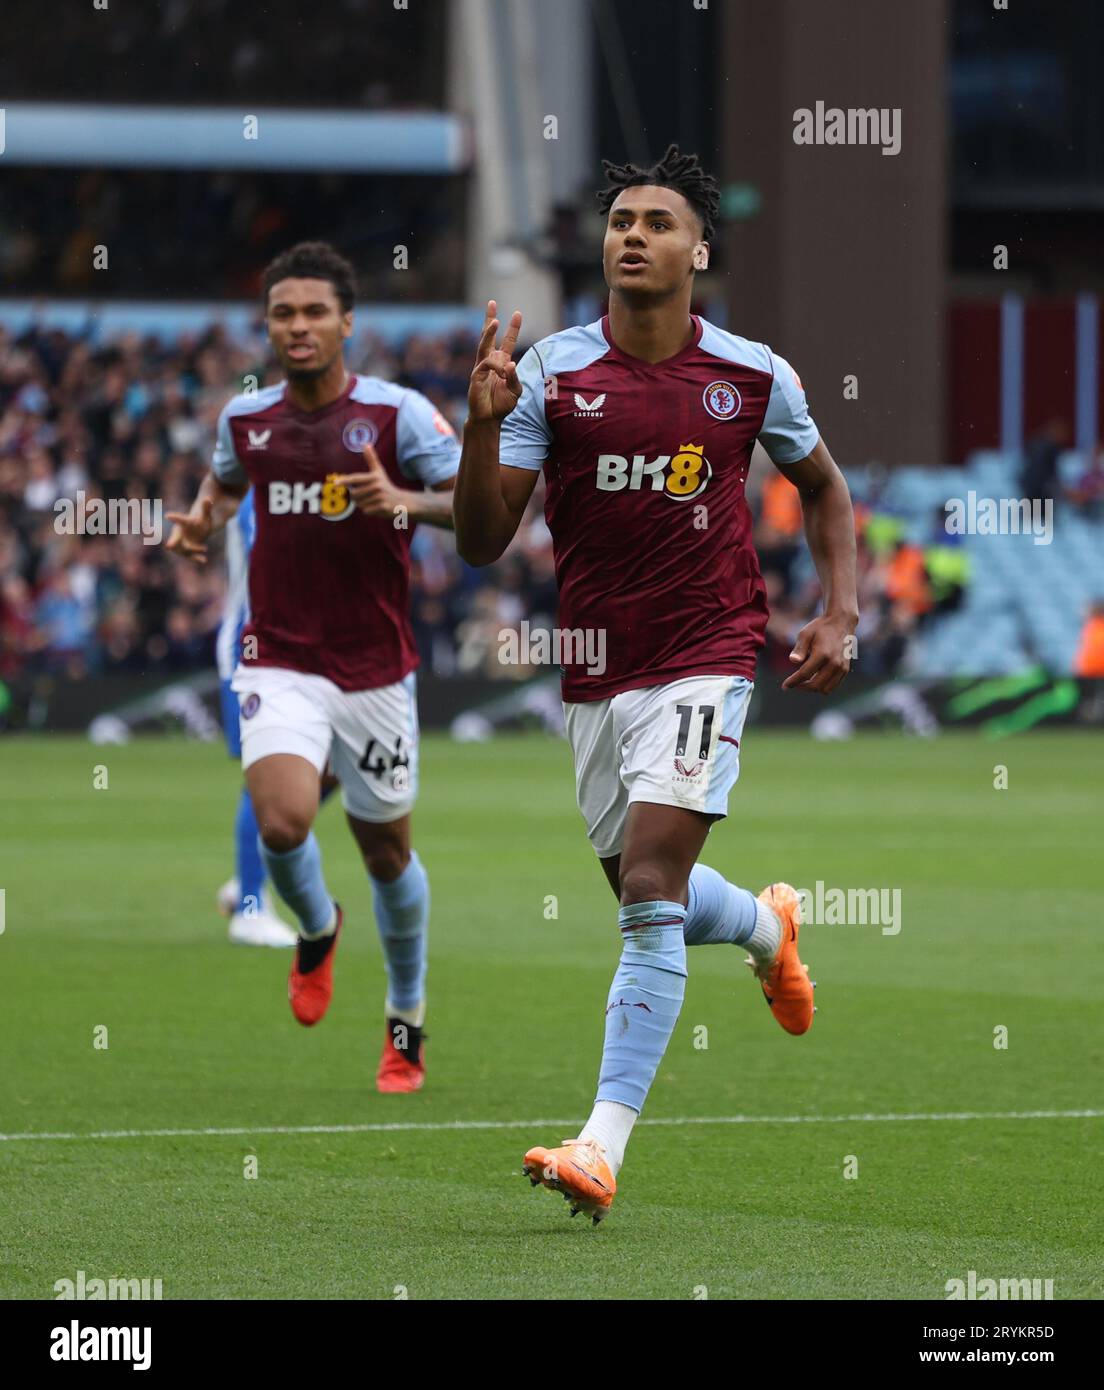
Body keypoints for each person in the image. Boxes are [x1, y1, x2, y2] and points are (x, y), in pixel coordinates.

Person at [453, 145, 859, 1221]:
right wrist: (484, 423)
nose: (632, 234)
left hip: (709, 649)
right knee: (653, 893)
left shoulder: (752, 374)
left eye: (657, 222)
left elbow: (824, 488)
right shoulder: (551, 374)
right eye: (620, 219)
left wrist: (842, 608)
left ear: (699, 250)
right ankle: (771, 930)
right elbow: (484, 544)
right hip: (593, 671)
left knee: (646, 895)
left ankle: (600, 1146)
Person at [166, 241, 460, 1093]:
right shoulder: (245, 420)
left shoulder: (400, 415)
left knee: (387, 854)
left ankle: (405, 1018)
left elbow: (481, 503)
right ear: (268, 326)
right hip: (278, 656)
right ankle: (317, 924)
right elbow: (223, 487)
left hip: (375, 669)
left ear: (347, 324)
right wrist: (200, 521)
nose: (298, 327)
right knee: (284, 821)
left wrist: (405, 503)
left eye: (314, 313)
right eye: (283, 314)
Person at [214, 487, 298, 947]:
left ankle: (250, 870)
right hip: (252, 653)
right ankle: (249, 906)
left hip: (296, 654)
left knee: (330, 768)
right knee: (264, 778)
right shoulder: (262, 490)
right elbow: (277, 565)